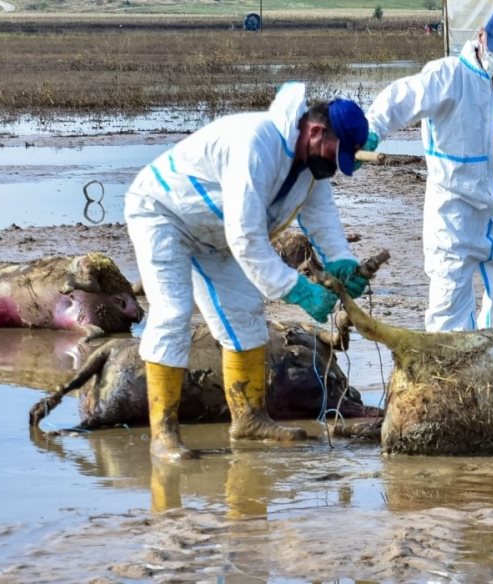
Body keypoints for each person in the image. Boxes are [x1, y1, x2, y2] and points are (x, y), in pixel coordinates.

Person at [124, 82, 370, 461]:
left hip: (215, 233)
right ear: (317, 131)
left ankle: (249, 420)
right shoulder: (257, 143)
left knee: (245, 314)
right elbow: (246, 236)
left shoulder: (312, 166)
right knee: (172, 313)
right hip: (164, 215)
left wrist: (342, 260)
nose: (335, 167)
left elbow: (321, 218)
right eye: (336, 154)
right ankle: (164, 436)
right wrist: (297, 290)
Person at [362, 9, 493, 332]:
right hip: (453, 210)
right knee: (449, 306)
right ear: (481, 35)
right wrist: (371, 130)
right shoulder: (447, 76)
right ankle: (451, 377)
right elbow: (400, 99)